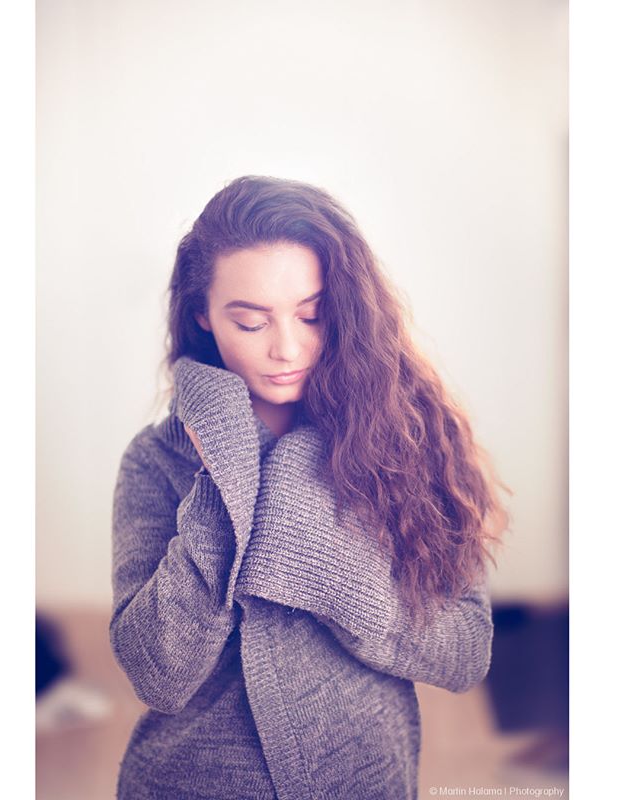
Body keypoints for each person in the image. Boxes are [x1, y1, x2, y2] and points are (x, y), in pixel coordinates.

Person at [110, 175, 509, 800]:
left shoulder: (404, 441)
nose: (287, 348)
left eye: (313, 315)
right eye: (249, 322)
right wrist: (226, 481)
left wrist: (336, 579)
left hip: (366, 780)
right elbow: (157, 674)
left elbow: (465, 653)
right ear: (203, 317)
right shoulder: (156, 460)